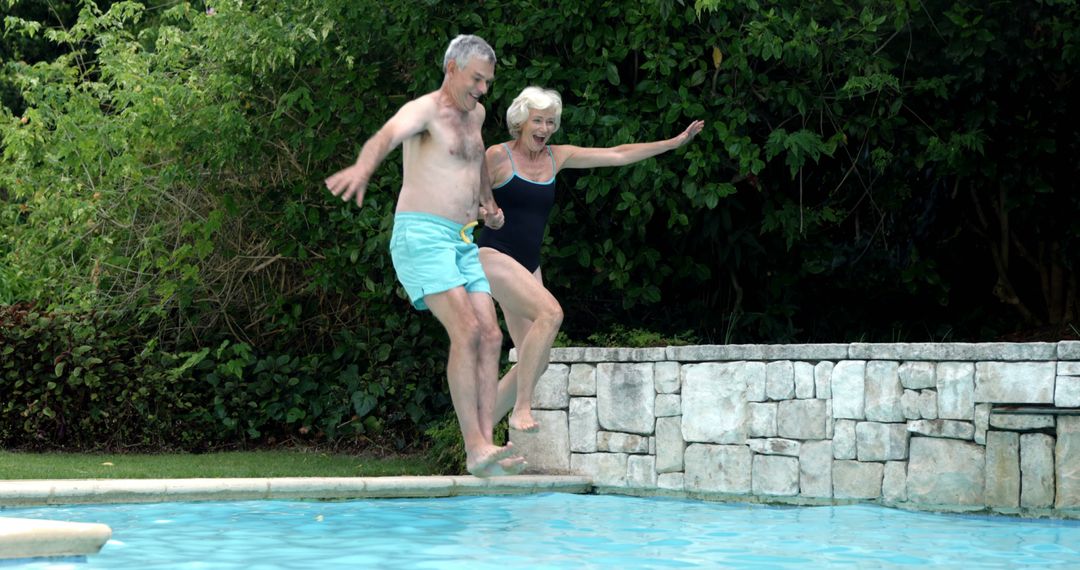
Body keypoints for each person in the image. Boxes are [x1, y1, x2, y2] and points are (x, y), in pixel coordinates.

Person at [324, 35, 524, 477]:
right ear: (452, 67)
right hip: (421, 235)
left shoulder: (478, 115)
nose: (483, 90)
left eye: (488, 82)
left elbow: (474, 164)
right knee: (467, 330)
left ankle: (484, 445)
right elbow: (386, 135)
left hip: (462, 238)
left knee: (491, 335)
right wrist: (362, 167)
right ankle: (474, 448)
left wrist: (488, 204)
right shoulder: (425, 110)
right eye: (477, 79)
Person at [477, 86, 704, 433]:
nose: (545, 128)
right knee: (551, 313)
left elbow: (616, 153)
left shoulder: (557, 156)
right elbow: (462, 199)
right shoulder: (498, 156)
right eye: (538, 120)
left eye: (550, 122)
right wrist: (485, 214)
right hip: (494, 254)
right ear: (521, 121)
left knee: (534, 360)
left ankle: (476, 433)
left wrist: (671, 143)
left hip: (528, 264)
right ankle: (521, 409)